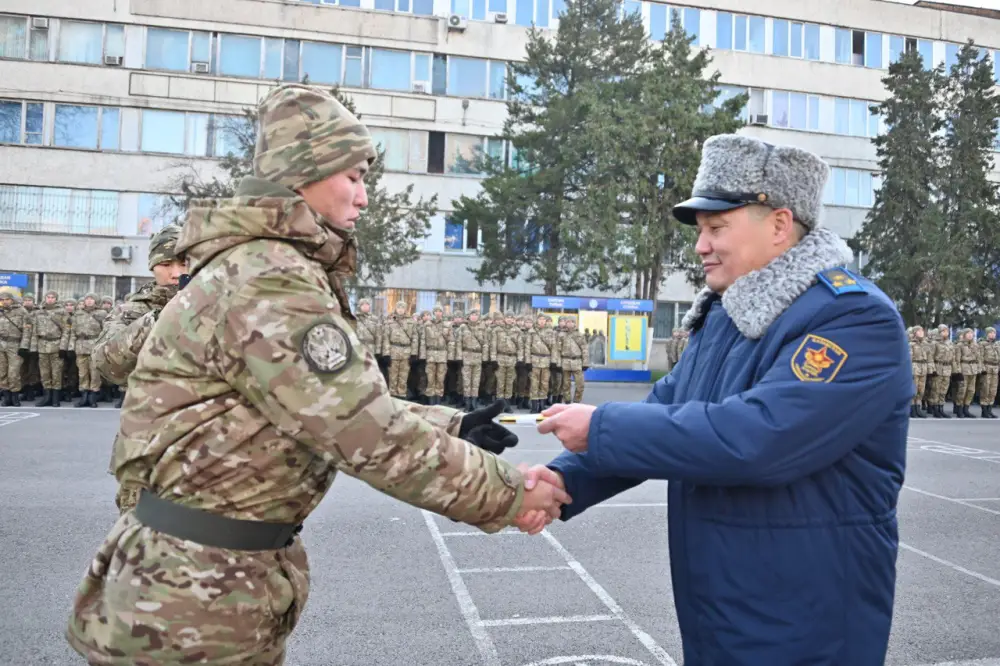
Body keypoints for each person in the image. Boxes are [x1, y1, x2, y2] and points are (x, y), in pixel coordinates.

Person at [66, 83, 569, 666]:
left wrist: (450, 424)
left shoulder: (267, 263)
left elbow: (317, 404)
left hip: (208, 584)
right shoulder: (268, 275)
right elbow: (361, 431)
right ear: (304, 171)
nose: (362, 198)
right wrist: (510, 494)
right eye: (352, 177)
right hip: (190, 604)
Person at [519, 134, 912, 665]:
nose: (700, 246)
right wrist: (568, 477)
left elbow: (760, 438)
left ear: (778, 224)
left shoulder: (852, 317)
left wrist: (601, 428)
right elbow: (668, 408)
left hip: (805, 618)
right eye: (701, 230)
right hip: (722, 608)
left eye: (716, 228)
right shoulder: (730, 311)